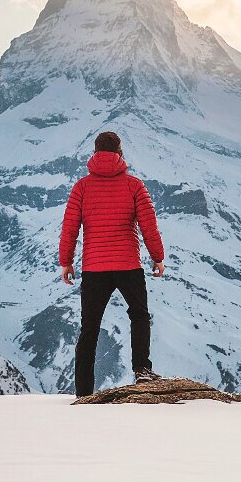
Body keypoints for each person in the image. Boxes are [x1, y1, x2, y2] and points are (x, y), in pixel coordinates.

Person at [59, 130, 166, 397]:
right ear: (120, 152)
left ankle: (83, 391)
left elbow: (70, 228)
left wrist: (66, 262)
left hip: (94, 268)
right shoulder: (134, 185)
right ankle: (142, 369)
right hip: (128, 264)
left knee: (89, 328)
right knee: (139, 315)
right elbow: (148, 226)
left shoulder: (81, 187)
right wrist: (157, 258)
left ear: (94, 153)